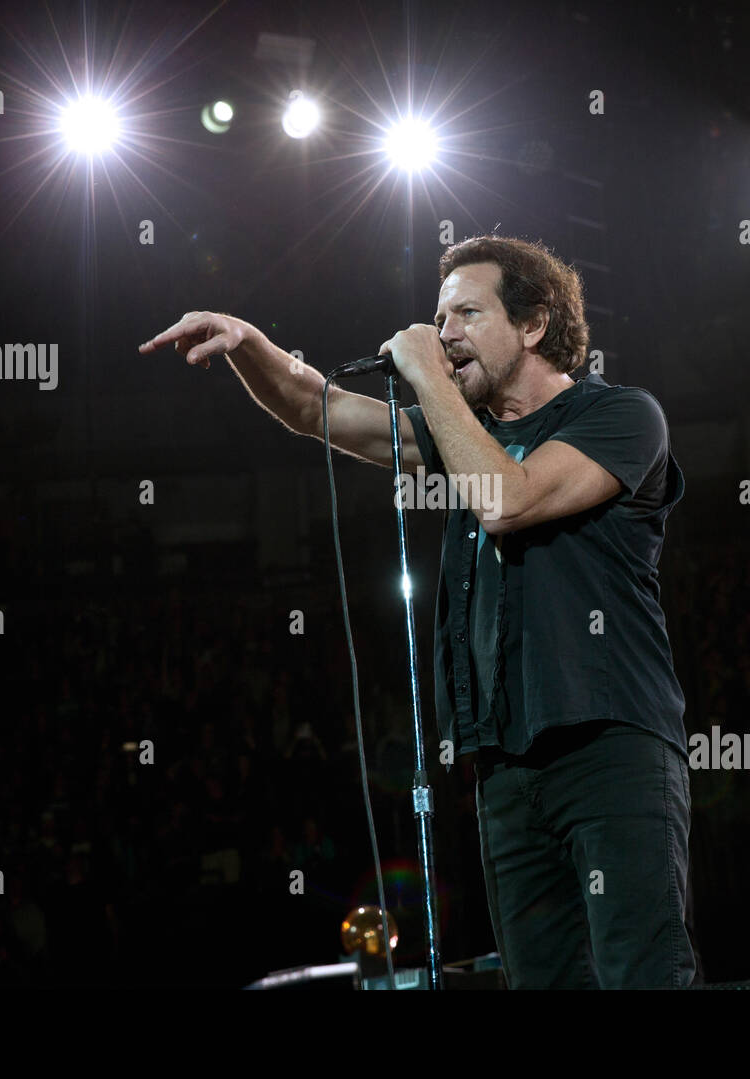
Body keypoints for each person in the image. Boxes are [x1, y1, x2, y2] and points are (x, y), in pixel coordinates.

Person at [140, 235, 695, 988]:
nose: (444, 333)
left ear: (533, 325)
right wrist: (251, 346)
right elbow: (313, 407)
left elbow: (506, 499)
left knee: (643, 972)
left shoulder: (622, 417)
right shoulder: (462, 437)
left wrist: (429, 377)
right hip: (501, 764)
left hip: (611, 746)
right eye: (439, 317)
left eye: (468, 312)